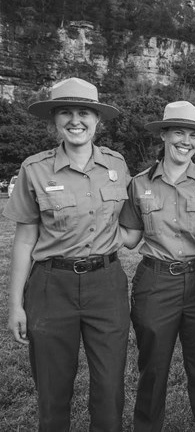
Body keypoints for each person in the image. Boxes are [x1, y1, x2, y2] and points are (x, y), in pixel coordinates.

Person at [3, 77, 130, 431]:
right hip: (50, 287)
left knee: (109, 389)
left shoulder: (117, 165)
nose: (76, 120)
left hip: (107, 286)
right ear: (54, 121)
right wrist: (15, 305)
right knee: (52, 390)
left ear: (97, 119)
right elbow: (25, 240)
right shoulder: (34, 168)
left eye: (84, 112)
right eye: (66, 112)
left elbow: (130, 222)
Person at [119, 101, 195, 431]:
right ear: (163, 135)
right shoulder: (139, 183)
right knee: (153, 367)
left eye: (193, 135)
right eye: (178, 132)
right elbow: (131, 238)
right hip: (155, 283)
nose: (186, 141)